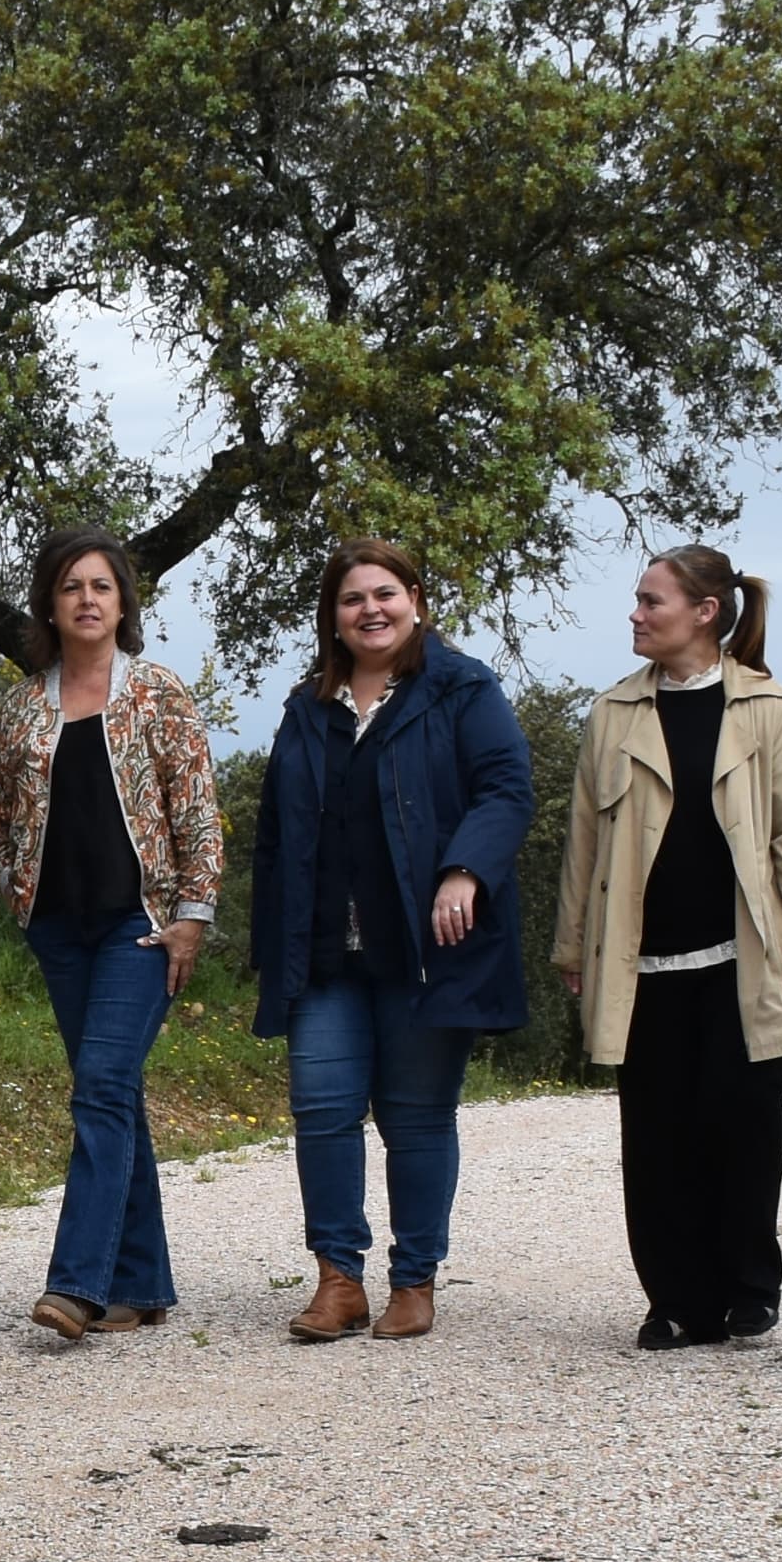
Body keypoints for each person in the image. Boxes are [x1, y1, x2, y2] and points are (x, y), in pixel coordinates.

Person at [245, 538, 531, 1342]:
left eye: (385, 594)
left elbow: (507, 787)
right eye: (351, 599)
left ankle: (414, 1280)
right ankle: (339, 1281)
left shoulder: (462, 689)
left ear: (416, 600)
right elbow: (275, 834)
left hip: (424, 953)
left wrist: (465, 870)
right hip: (325, 956)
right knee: (323, 1111)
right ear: (332, 618)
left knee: (416, 1117)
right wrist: (271, 943)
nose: (370, 609)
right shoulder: (307, 707)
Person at [556, 547, 782, 1349]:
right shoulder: (613, 713)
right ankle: (674, 1298)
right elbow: (583, 844)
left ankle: (747, 1288)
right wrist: (573, 949)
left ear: (705, 612)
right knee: (657, 1132)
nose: (635, 614)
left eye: (650, 601)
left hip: (744, 957)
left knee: (742, 1125)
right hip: (644, 963)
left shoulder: (765, 706)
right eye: (637, 601)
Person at [0, 529, 221, 1340]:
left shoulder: (158, 694)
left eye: (102, 586)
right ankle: (142, 1283)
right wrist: (21, 896)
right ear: (50, 601)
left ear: (123, 604)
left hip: (138, 929)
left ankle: (76, 1283)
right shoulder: (20, 708)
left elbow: (197, 813)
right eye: (72, 586)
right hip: (60, 933)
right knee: (113, 1095)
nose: (87, 598)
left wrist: (191, 915)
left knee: (102, 1087)